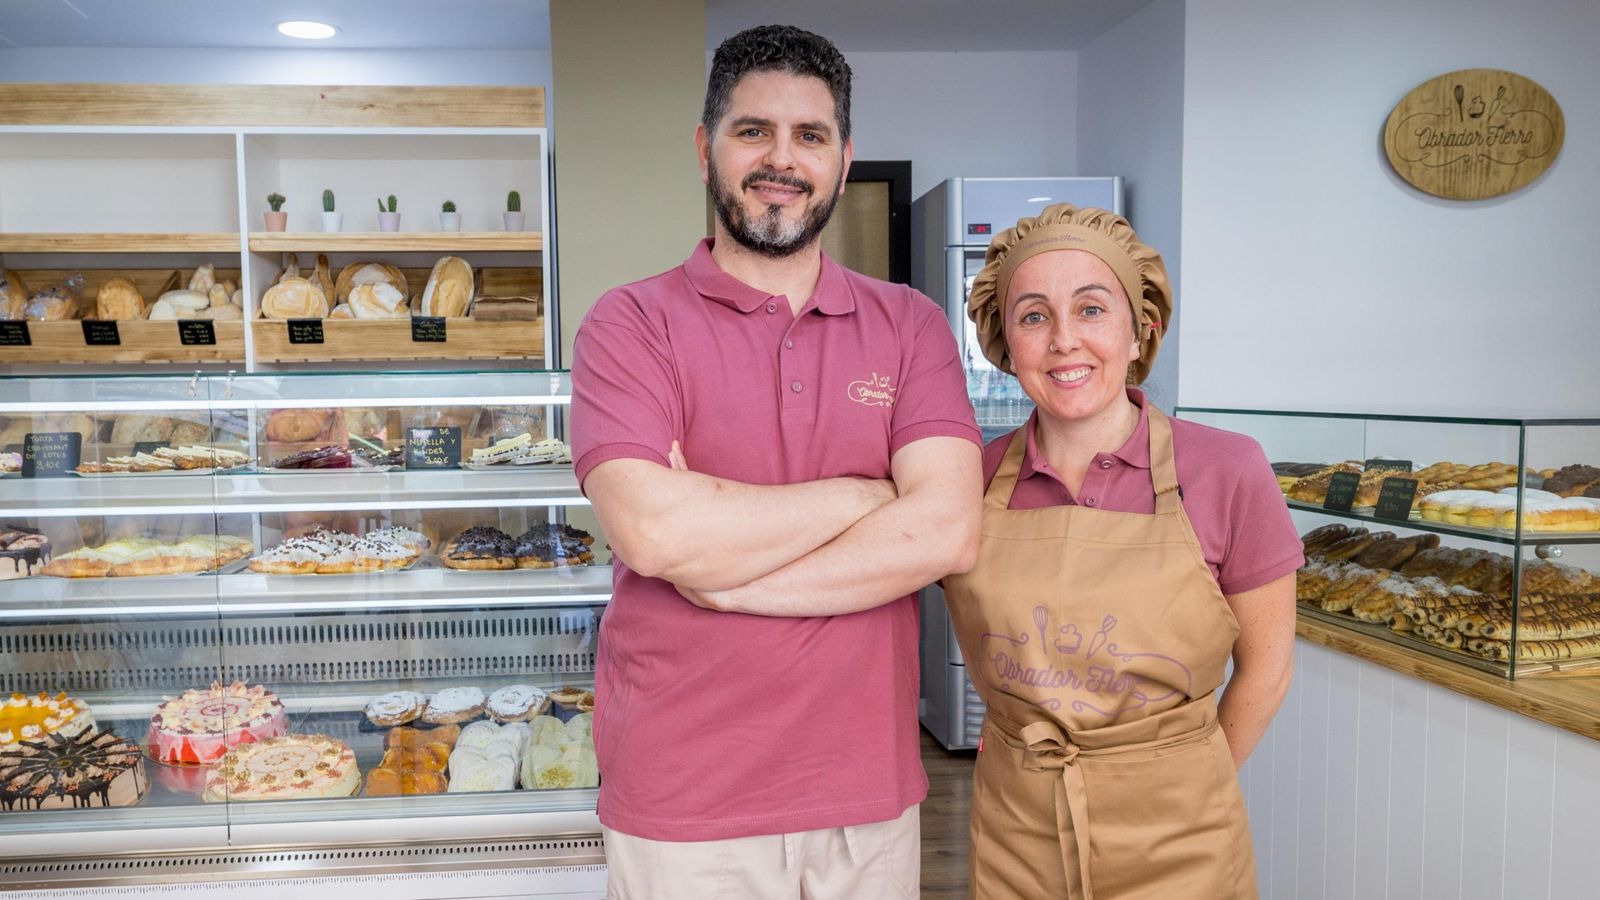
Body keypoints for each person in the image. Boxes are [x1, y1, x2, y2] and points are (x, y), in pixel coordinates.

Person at [569, 25, 983, 900]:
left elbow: (946, 528)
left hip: (864, 797)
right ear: (704, 148)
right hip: (682, 799)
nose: (781, 160)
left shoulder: (910, 326)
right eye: (753, 130)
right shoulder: (630, 324)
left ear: (842, 159)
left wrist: (727, 577)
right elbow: (655, 530)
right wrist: (864, 496)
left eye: (811, 136)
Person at [945, 203, 1301, 899]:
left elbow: (1269, 667)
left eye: (1092, 310)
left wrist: (1188, 785)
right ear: (1004, 342)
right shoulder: (969, 479)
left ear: (1142, 332)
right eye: (1034, 316)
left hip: (1183, 836)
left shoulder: (1228, 470)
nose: (1064, 341)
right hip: (1019, 831)